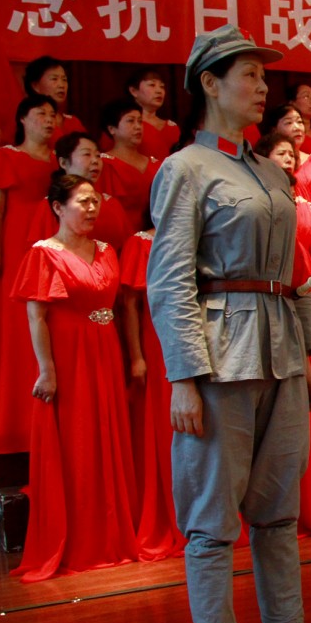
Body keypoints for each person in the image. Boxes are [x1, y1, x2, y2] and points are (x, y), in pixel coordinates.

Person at [146, 26, 311, 623]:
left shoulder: (270, 171)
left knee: (279, 509)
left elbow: (296, 273)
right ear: (209, 82)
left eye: (265, 76)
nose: (263, 87)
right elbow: (170, 279)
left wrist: (308, 353)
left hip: (281, 352)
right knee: (211, 518)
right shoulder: (185, 168)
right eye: (250, 75)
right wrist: (182, 376)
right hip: (219, 355)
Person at [11, 171, 141, 583]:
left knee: (108, 437)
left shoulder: (106, 250)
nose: (91, 208)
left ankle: (113, 534)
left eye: (95, 200)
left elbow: (119, 307)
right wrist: (47, 370)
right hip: (68, 355)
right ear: (58, 207)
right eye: (82, 201)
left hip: (105, 350)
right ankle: (81, 540)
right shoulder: (44, 254)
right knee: (78, 442)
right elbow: (36, 317)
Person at [0, 94, 58, 455]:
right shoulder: (7, 157)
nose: (49, 120)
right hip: (16, 252)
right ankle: (15, 424)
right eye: (41, 114)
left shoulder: (59, 160)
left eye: (53, 114)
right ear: (23, 119)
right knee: (17, 332)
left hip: (53, 249)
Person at [120, 213, 186, 563]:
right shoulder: (140, 243)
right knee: (164, 423)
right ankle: (168, 513)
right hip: (157, 339)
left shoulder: (194, 236)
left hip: (194, 337)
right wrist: (137, 356)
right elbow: (131, 305)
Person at [27, 132, 130, 251]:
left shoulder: (113, 205)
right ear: (63, 163)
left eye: (97, 155)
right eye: (87, 154)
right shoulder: (51, 205)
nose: (95, 161)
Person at [99, 98, 162, 231]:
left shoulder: (156, 165)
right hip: (119, 233)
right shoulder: (103, 164)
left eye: (140, 121)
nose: (138, 126)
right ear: (112, 129)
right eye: (130, 121)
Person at [265, 103, 311, 204]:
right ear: (274, 130)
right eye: (288, 123)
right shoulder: (267, 162)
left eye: (300, 122)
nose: (297, 128)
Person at [24, 56, 85, 146]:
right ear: (35, 86)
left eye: (64, 80)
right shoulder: (28, 120)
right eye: (54, 79)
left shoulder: (74, 122)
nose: (61, 85)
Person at [127, 67, 180, 160]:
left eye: (162, 87)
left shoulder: (172, 127)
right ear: (134, 91)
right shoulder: (124, 124)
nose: (159, 91)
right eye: (152, 85)